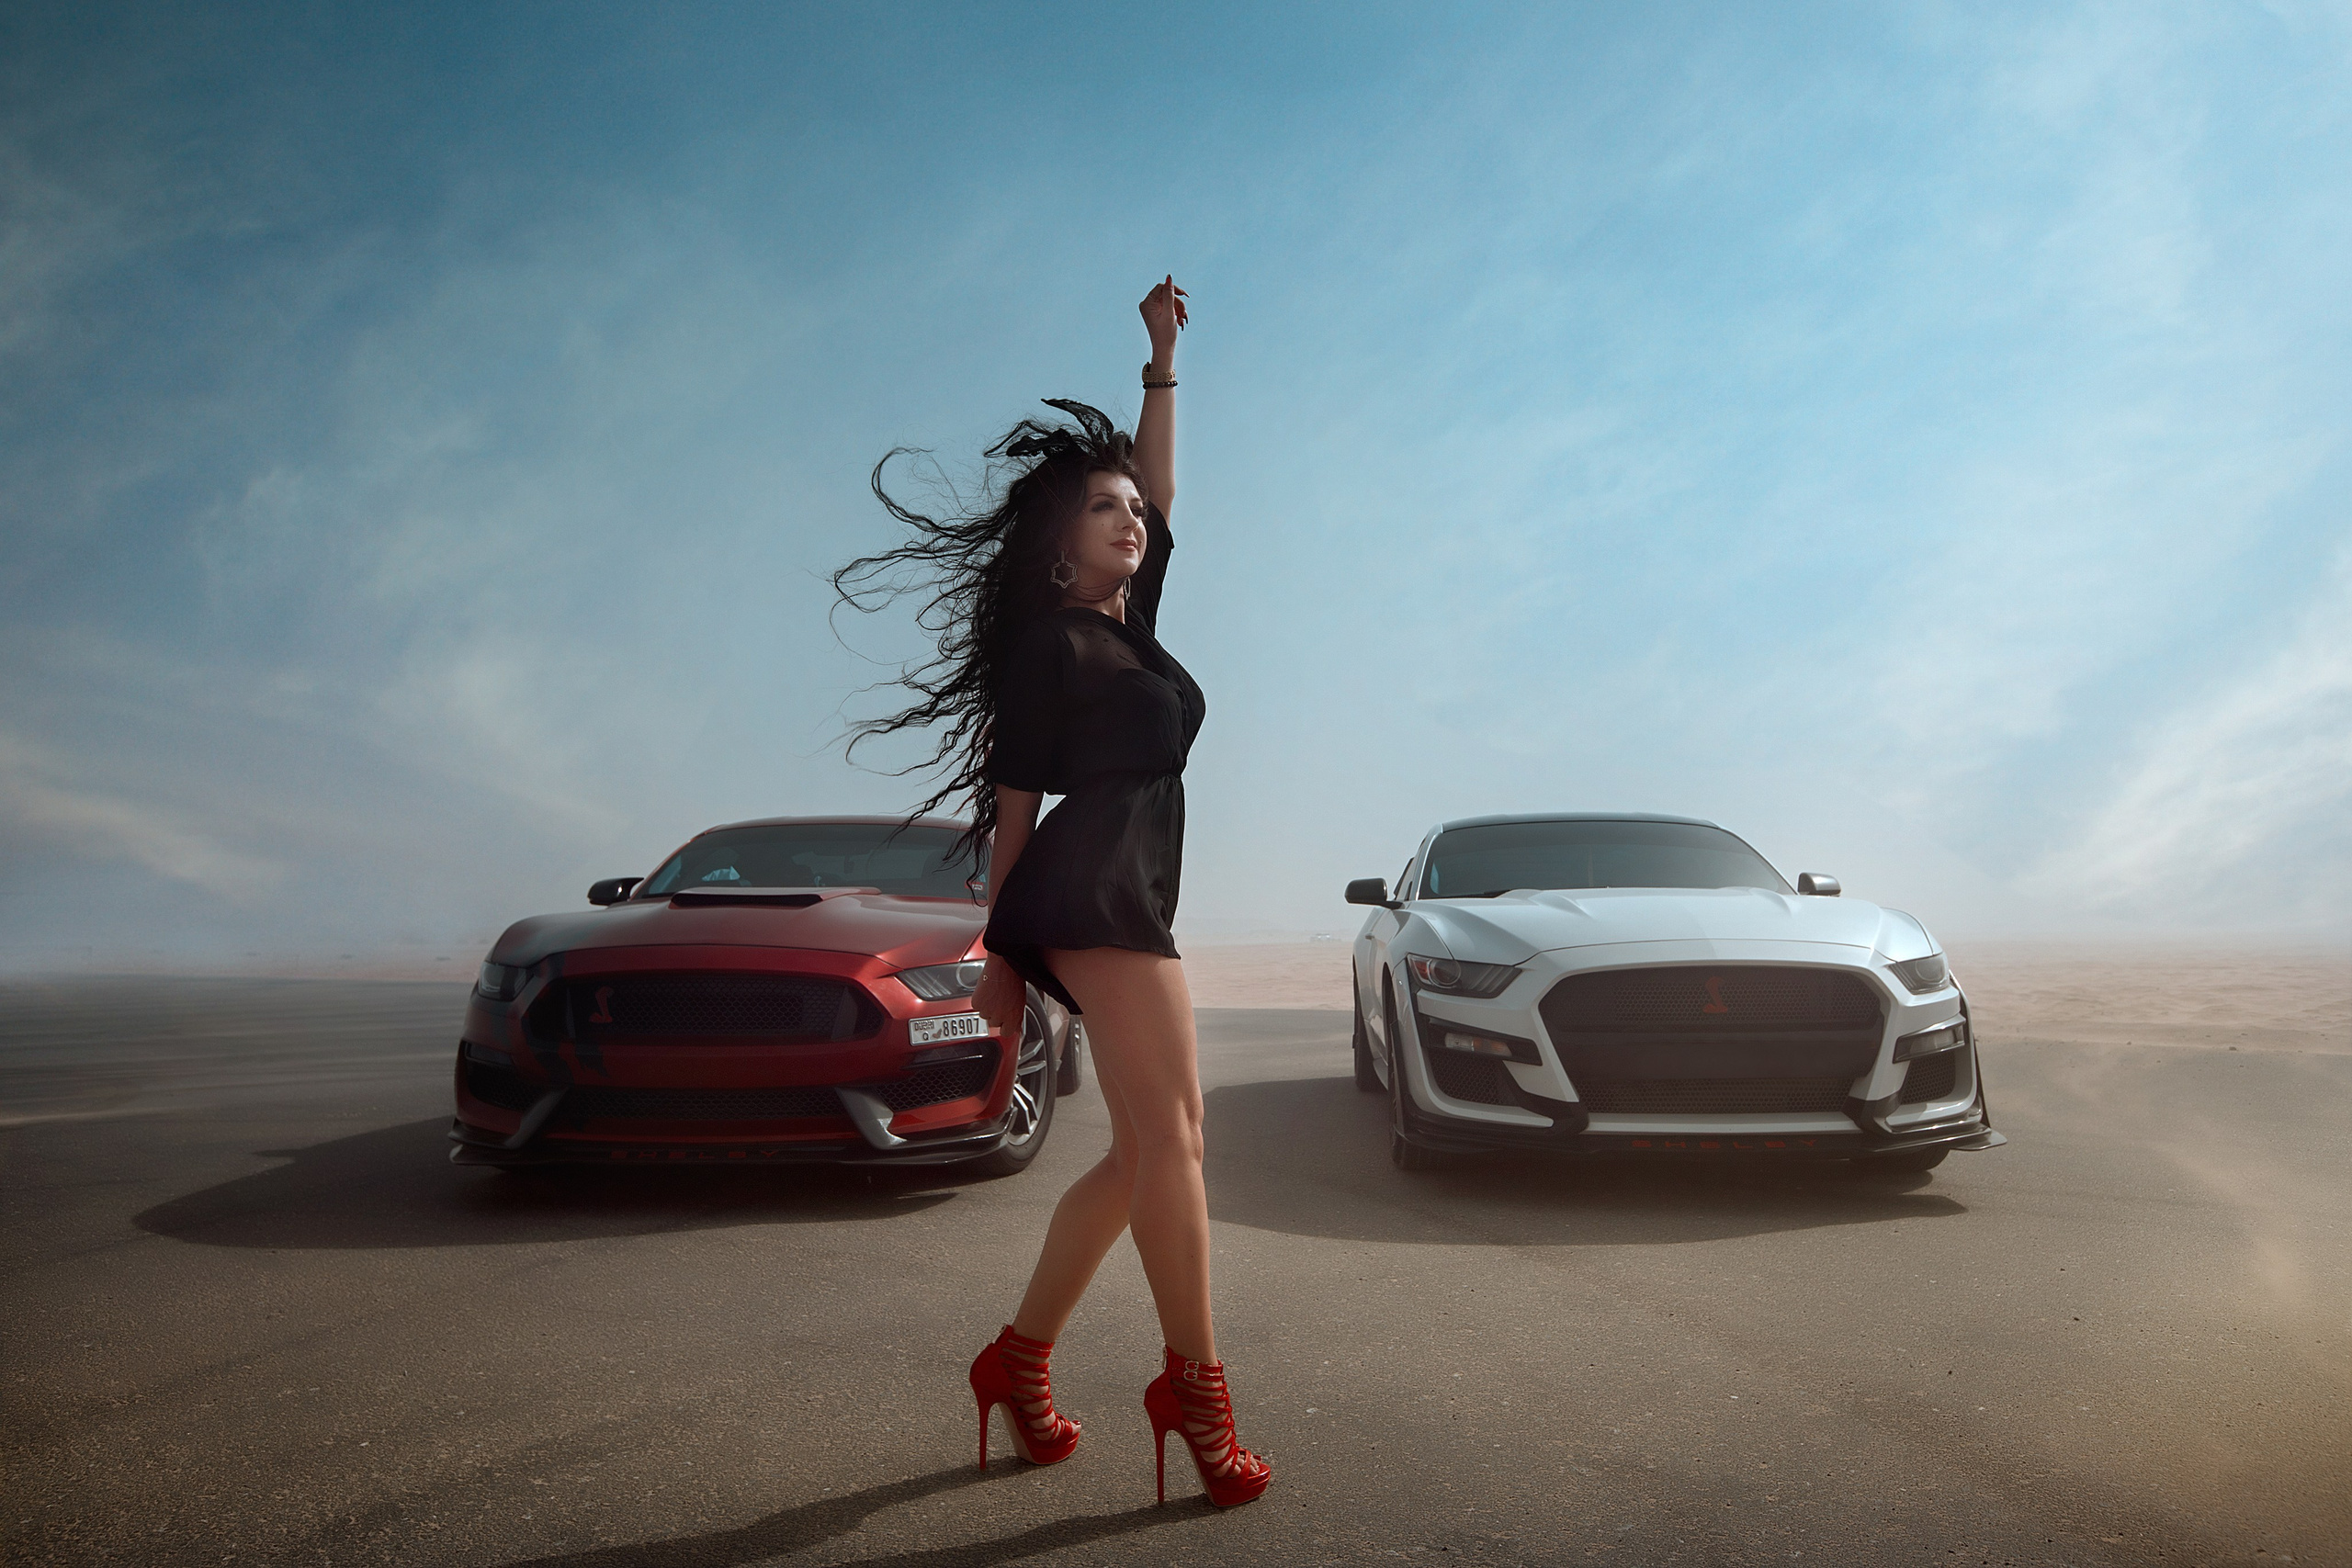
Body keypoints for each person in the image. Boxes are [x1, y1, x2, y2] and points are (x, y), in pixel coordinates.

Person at [831, 276, 1269, 1508]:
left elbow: (1164, 492)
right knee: (1180, 1137)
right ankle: (1195, 1390)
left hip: (1131, 891)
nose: (1129, 516)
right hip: (1086, 894)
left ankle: (1017, 1363)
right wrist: (1004, 965)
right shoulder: (1052, 645)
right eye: (1101, 506)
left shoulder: (1138, 628)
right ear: (1057, 541)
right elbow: (1013, 814)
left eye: (1132, 505)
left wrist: (1161, 360)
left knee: (1143, 1152)